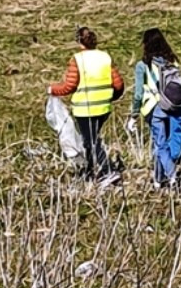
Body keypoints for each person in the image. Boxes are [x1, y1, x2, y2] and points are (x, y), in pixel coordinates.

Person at [48, 26, 124, 180]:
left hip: (84, 109)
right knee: (90, 140)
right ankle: (89, 171)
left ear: (79, 42)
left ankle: (109, 171)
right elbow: (119, 84)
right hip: (103, 108)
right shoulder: (105, 57)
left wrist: (53, 90)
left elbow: (69, 86)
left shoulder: (77, 60)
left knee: (91, 141)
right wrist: (110, 97)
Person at [126, 27, 181, 188]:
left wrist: (133, 115)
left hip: (153, 108)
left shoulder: (142, 65)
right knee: (165, 144)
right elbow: (180, 89)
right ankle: (158, 179)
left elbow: (138, 94)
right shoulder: (172, 62)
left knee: (160, 144)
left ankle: (171, 175)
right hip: (173, 106)